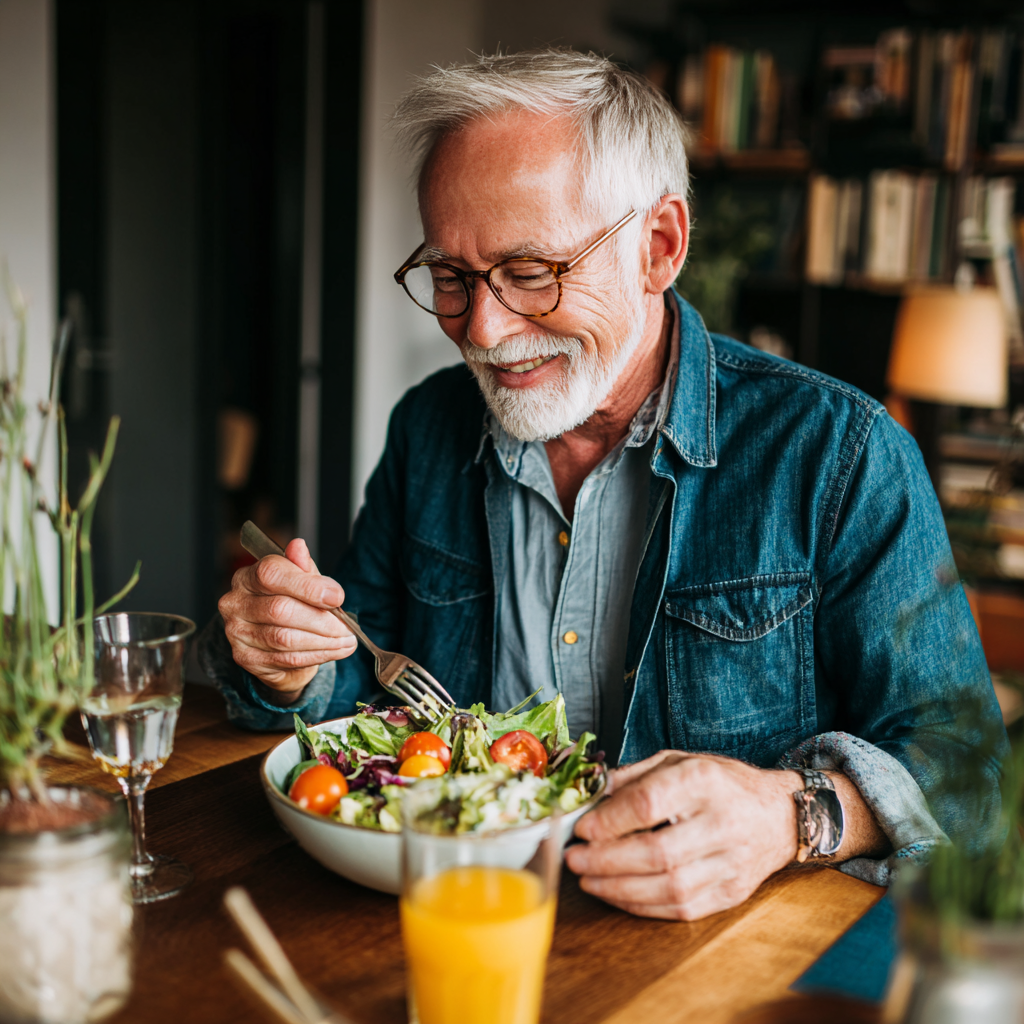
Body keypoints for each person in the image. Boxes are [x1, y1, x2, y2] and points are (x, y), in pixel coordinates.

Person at [202, 49, 1007, 921]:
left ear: (658, 246)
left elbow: (971, 773)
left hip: (713, 963)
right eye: (450, 276)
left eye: (530, 273)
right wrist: (291, 666)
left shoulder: (839, 455)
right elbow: (366, 672)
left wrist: (796, 815)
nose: (483, 328)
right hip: (457, 917)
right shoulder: (427, 428)